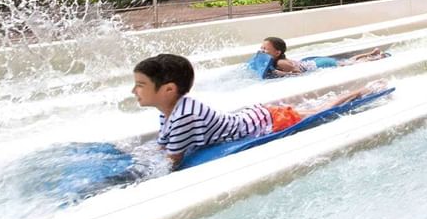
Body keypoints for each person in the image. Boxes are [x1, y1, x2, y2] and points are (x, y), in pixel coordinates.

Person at [133, 53, 385, 169]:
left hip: (267, 121)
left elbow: (171, 160)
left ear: (168, 89)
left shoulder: (184, 114)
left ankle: (360, 92)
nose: (135, 91)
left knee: (319, 110)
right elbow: (163, 145)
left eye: (140, 85)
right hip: (254, 116)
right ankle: (358, 90)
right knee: (309, 108)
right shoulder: (169, 110)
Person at [259, 36, 387, 76]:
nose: (262, 51)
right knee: (347, 61)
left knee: (348, 64)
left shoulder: (280, 63)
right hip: (316, 61)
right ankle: (372, 54)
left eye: (265, 49)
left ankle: (377, 58)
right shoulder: (280, 59)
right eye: (262, 48)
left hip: (320, 64)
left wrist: (278, 73)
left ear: (277, 53)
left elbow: (298, 73)